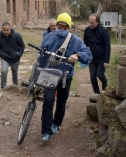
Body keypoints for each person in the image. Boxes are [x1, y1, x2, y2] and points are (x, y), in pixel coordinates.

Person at [37, 12, 92, 141]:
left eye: (65, 27)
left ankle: (56, 123)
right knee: (48, 101)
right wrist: (39, 65)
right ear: (55, 25)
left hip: (65, 76)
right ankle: (46, 130)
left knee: (61, 102)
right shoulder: (48, 37)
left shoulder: (76, 40)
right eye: (59, 26)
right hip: (49, 73)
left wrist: (77, 55)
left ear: (69, 27)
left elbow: (88, 54)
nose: (61, 29)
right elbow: (42, 54)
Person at [83, 13, 111, 94]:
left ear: (97, 22)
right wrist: (85, 55)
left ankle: (105, 84)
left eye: (92, 22)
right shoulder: (87, 30)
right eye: (89, 22)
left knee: (100, 75)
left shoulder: (104, 31)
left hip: (101, 58)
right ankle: (96, 93)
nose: (90, 24)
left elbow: (107, 46)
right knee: (92, 76)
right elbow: (85, 44)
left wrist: (106, 61)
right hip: (91, 57)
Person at [0, 22, 25, 89]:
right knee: (4, 71)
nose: (5, 32)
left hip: (15, 58)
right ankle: (3, 86)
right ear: (2, 29)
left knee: (15, 73)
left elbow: (22, 46)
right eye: (4, 30)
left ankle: (15, 86)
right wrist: (0, 53)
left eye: (7, 30)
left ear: (10, 29)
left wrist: (18, 54)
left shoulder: (17, 35)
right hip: (5, 57)